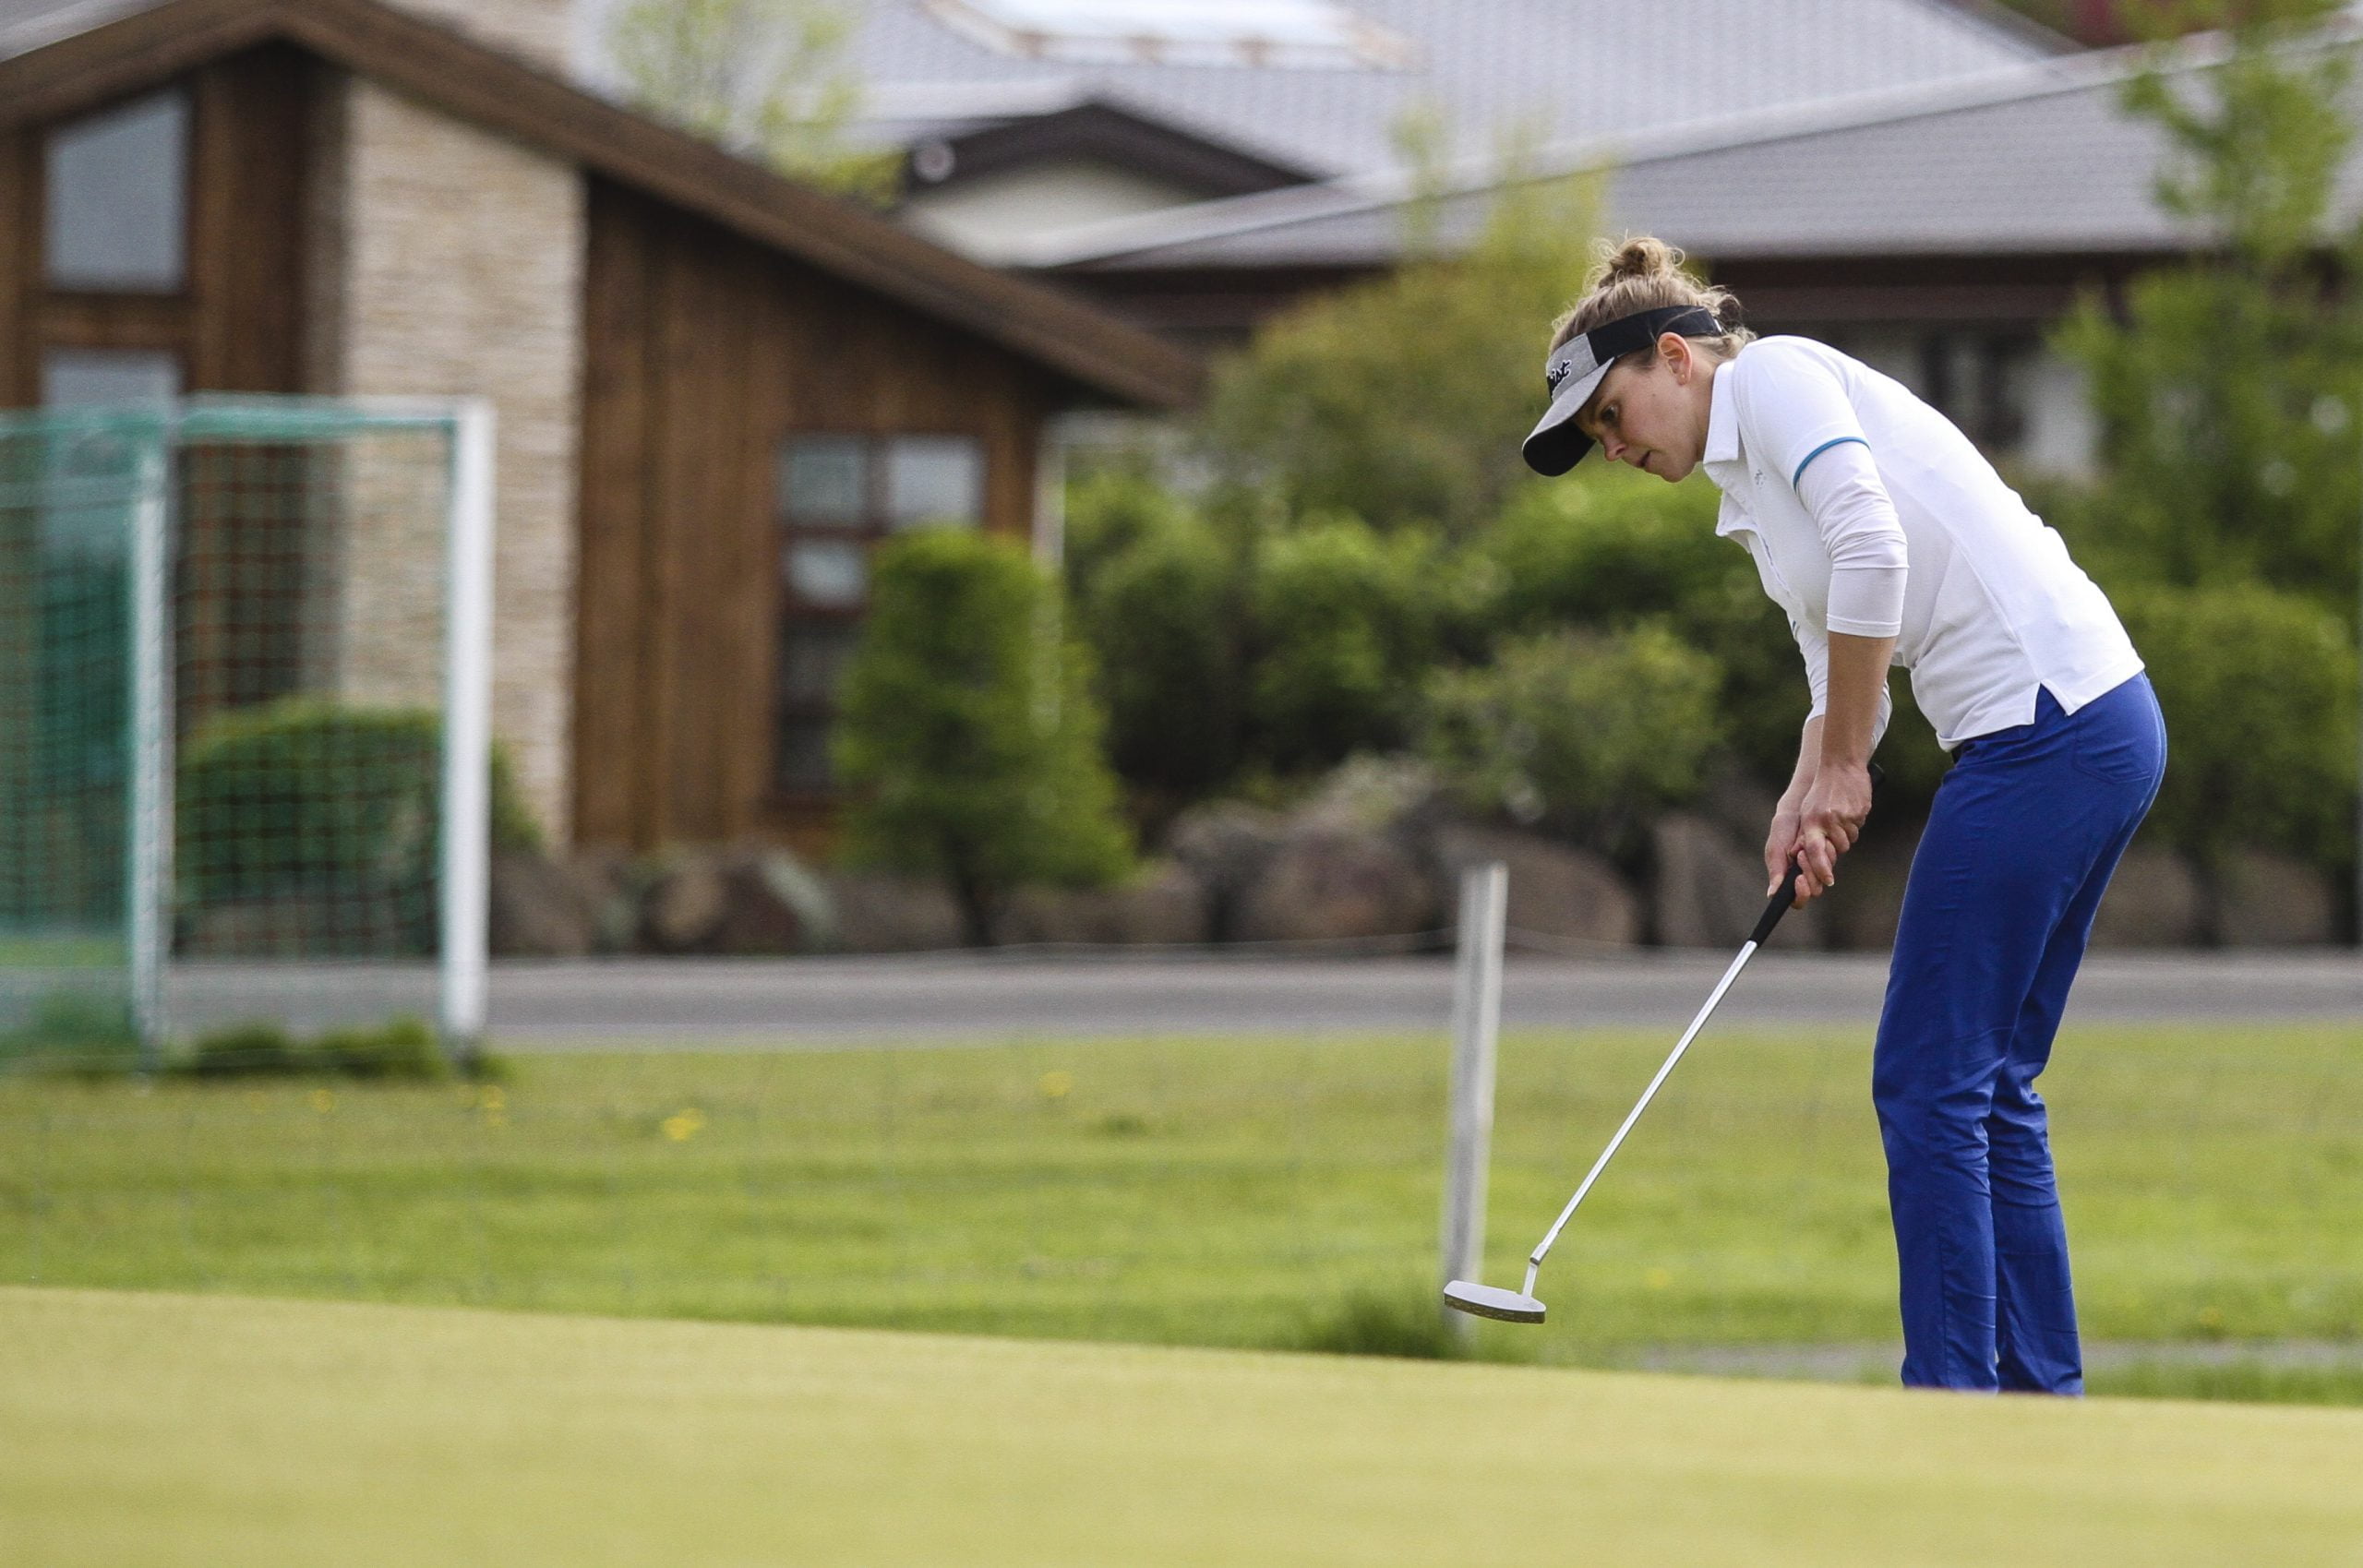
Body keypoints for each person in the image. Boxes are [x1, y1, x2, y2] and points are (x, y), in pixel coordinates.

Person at [1520, 237, 2166, 1394]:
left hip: (2050, 730)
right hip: (2083, 724)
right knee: (1987, 1086)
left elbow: (1874, 547)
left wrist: (1846, 777)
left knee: (1927, 1081)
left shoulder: (1773, 383)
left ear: (1675, 358)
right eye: (1595, 441)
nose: (1612, 449)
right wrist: (1808, 784)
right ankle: (2037, 1402)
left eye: (1611, 417)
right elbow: (1836, 649)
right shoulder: (1746, 478)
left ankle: (1955, 1410)